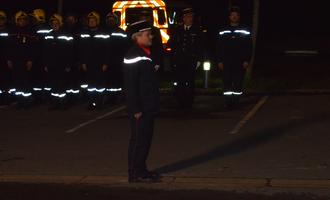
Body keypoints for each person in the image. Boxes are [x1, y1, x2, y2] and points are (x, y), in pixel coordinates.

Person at [124, 20, 161, 183]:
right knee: (139, 140)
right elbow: (130, 84)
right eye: (148, 34)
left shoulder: (144, 52)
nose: (151, 36)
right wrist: (135, 108)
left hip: (147, 106)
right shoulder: (134, 54)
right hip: (141, 108)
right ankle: (135, 173)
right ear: (137, 37)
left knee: (144, 140)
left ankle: (141, 169)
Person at [216, 7, 252, 108]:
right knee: (227, 82)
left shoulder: (245, 30)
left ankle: (236, 102)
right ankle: (228, 103)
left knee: (238, 82)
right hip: (226, 61)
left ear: (239, 17)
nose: (234, 17)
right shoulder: (223, 30)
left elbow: (249, 47)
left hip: (239, 62)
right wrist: (219, 60)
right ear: (229, 17)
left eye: (236, 15)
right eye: (232, 15)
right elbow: (218, 47)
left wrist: (246, 60)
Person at [169, 8, 202, 110]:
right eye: (186, 17)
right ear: (183, 18)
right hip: (179, 60)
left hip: (191, 60)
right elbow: (172, 43)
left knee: (190, 82)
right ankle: (181, 102)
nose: (189, 18)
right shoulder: (178, 30)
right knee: (180, 82)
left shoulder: (197, 30)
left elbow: (201, 46)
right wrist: (174, 56)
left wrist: (199, 60)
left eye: (190, 16)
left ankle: (189, 103)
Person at [43, 14, 74, 109]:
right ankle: (55, 103)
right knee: (53, 84)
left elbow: (70, 51)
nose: (55, 25)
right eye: (53, 24)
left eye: (57, 23)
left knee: (62, 85)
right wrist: (46, 64)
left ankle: (63, 103)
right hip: (51, 64)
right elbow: (45, 51)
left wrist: (68, 64)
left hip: (62, 64)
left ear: (60, 24)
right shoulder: (48, 35)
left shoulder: (66, 35)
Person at [79, 11, 110, 109]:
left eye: (93, 20)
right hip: (88, 63)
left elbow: (107, 49)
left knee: (99, 84)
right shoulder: (84, 33)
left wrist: (105, 62)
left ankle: (99, 102)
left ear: (97, 21)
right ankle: (91, 102)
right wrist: (83, 62)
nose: (91, 22)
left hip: (100, 63)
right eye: (90, 21)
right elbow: (82, 49)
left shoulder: (103, 33)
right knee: (90, 84)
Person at [7, 11, 38, 108]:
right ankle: (20, 102)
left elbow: (33, 48)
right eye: (20, 20)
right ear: (17, 21)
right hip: (15, 61)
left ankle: (27, 102)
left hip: (26, 62)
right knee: (17, 82)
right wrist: (9, 59)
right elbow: (9, 47)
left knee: (26, 82)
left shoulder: (30, 31)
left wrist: (30, 60)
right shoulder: (12, 32)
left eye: (24, 19)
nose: (22, 21)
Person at [105, 12, 128, 97]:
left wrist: (123, 59)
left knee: (117, 78)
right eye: (109, 20)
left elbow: (125, 47)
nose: (110, 21)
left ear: (116, 20)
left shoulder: (121, 32)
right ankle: (109, 96)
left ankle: (117, 96)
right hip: (106, 60)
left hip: (118, 59)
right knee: (107, 78)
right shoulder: (103, 31)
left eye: (112, 19)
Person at [0, 10, 11, 105]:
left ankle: (6, 100)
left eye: (1, 19)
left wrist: (9, 59)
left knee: (6, 80)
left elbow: (11, 46)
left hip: (6, 60)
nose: (0, 21)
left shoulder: (9, 31)